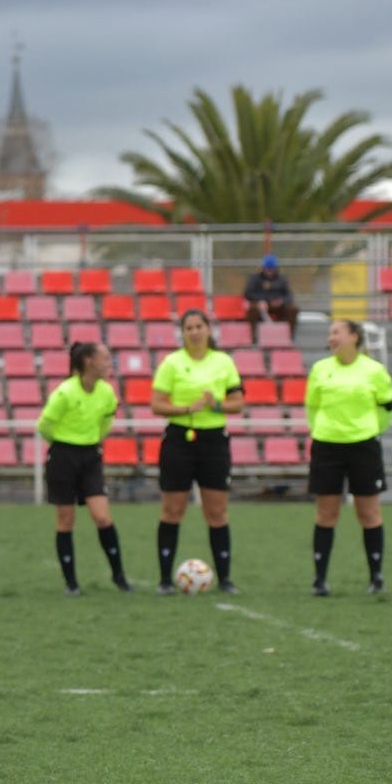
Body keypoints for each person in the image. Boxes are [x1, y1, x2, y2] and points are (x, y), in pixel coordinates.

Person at [150, 308, 244, 595]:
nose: (194, 332)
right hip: (179, 439)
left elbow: (238, 403)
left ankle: (225, 579)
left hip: (214, 440)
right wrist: (184, 409)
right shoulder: (172, 363)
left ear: (208, 329)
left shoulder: (223, 362)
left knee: (216, 511)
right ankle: (165, 579)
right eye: (188, 327)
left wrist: (215, 404)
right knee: (173, 509)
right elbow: (156, 404)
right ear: (183, 333)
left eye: (198, 326)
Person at [304, 320, 392, 598]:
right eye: (330, 333)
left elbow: (387, 406)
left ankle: (376, 577)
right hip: (327, 447)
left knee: (368, 514)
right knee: (326, 514)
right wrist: (324, 431)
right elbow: (312, 406)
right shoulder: (320, 369)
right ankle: (320, 579)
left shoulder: (374, 370)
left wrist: (369, 431)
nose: (331, 338)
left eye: (336, 332)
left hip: (363, 447)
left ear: (354, 337)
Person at [36, 341, 131, 595]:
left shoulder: (107, 393)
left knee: (102, 517)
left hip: (91, 456)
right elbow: (45, 425)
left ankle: (119, 576)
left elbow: (106, 423)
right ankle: (71, 584)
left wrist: (93, 442)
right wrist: (62, 444)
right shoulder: (65, 392)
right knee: (66, 519)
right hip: (63, 457)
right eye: (105, 358)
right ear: (89, 361)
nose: (109, 363)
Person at [244, 254, 298, 330]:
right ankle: (254, 337)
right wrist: (260, 301)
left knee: (293, 309)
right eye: (267, 268)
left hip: (278, 306)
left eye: (272, 269)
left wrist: (281, 301)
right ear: (263, 268)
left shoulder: (282, 279)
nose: (269, 271)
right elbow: (248, 293)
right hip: (261, 305)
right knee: (253, 309)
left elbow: (289, 296)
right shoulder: (255, 279)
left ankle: (289, 337)